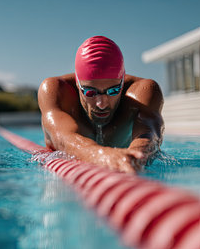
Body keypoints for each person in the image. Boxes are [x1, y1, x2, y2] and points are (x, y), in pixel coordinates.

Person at [38, 36, 164, 173]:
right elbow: (63, 138)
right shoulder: (56, 90)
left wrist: (136, 156)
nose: (101, 104)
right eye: (90, 92)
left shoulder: (142, 92)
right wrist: (102, 156)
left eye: (114, 90)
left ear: (122, 80)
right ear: (77, 83)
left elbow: (150, 134)